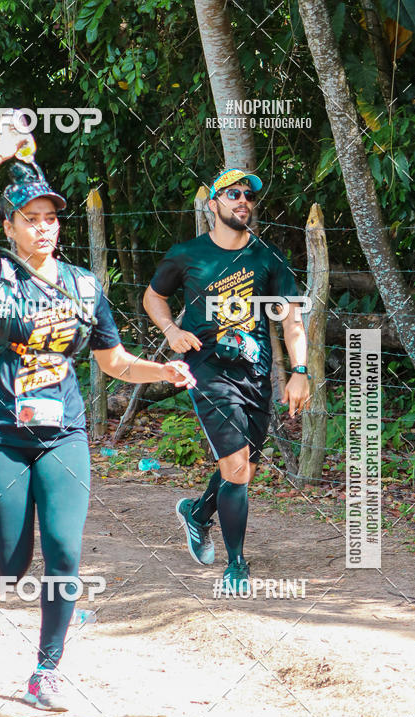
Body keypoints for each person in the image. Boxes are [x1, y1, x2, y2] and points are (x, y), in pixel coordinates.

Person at [0, 126, 194, 711]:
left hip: (63, 434)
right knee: (13, 560)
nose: (43, 226)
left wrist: (165, 371)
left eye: (50, 218)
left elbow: (116, 363)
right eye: (30, 218)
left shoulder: (83, 286)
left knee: (64, 554)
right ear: (9, 227)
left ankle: (45, 671)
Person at [143, 168, 309, 590]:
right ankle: (236, 564)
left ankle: (196, 514)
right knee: (236, 467)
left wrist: (300, 372)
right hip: (207, 369)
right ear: (213, 203)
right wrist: (171, 331)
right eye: (232, 193)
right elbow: (153, 295)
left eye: (248, 196)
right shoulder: (187, 254)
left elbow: (291, 317)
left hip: (255, 371)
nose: (242, 201)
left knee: (244, 468)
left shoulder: (267, 257)